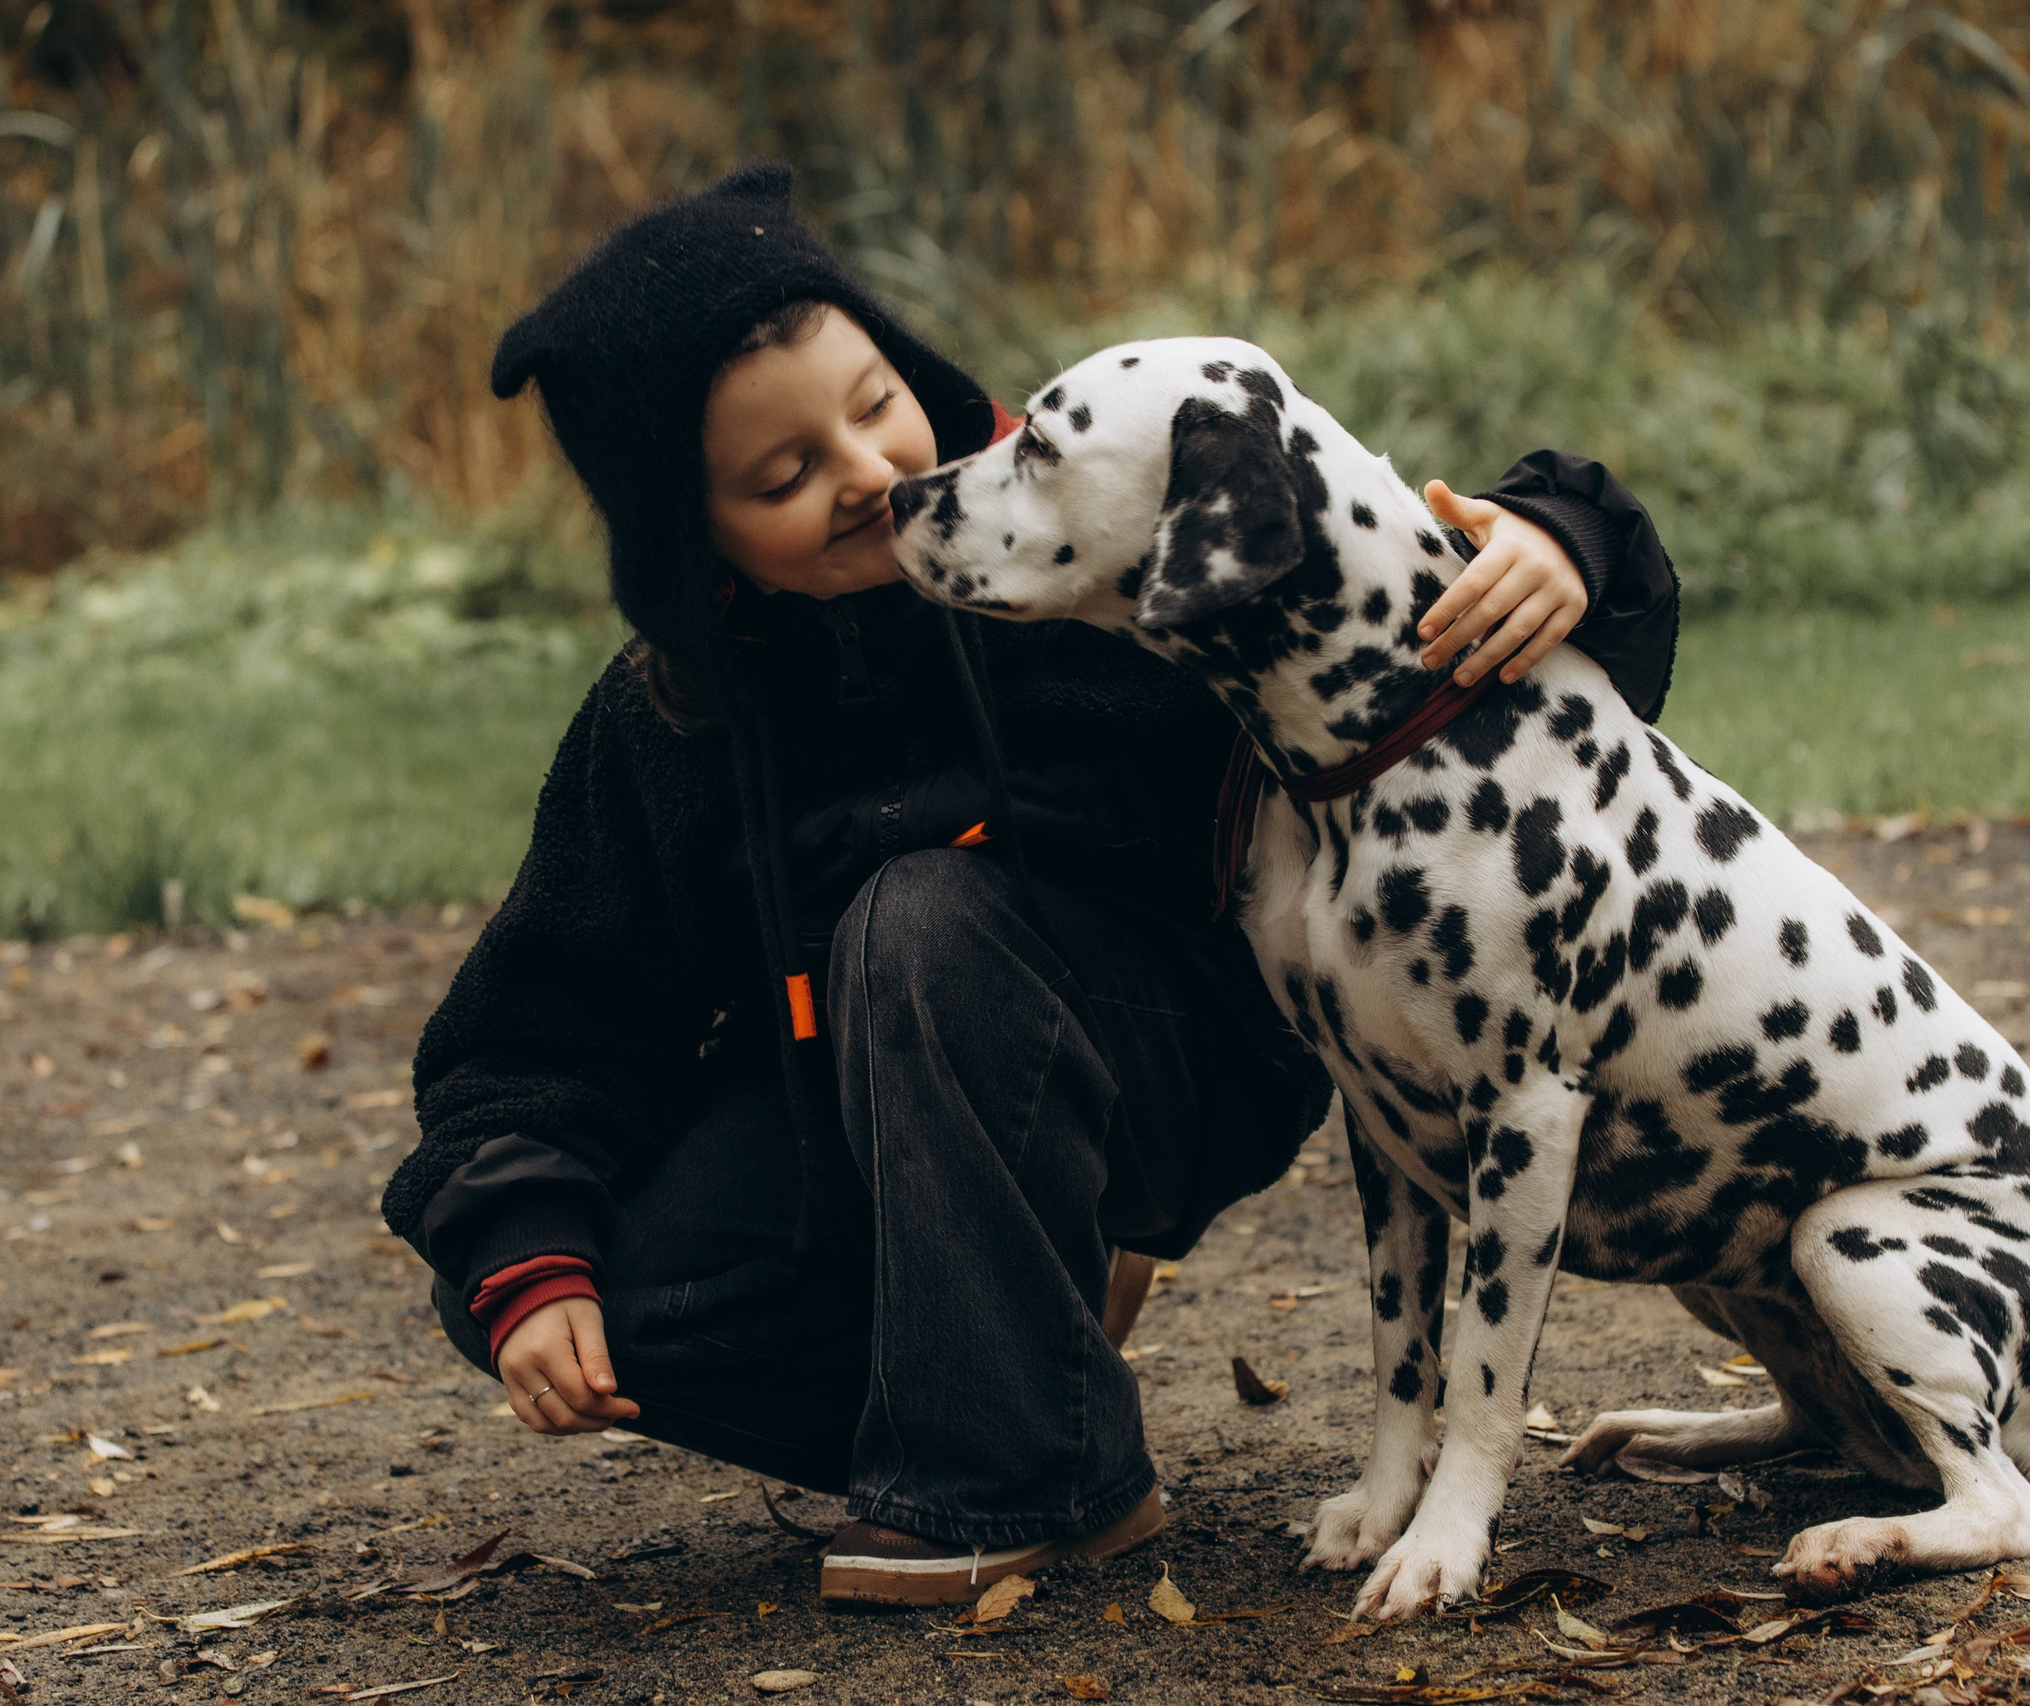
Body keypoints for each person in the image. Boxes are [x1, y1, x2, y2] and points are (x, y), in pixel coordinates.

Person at [380, 160, 1682, 1608]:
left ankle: (1026, 1474)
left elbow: (1353, 560)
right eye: (782, 476)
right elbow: (534, 1030)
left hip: (1170, 1054)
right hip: (860, 1137)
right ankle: (1013, 1385)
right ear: (694, 547)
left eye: (872, 402)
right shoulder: (669, 725)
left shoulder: (1090, 541)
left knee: (922, 914)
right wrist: (530, 1254)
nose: (868, 471)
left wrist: (1565, 541)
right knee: (518, 1270)